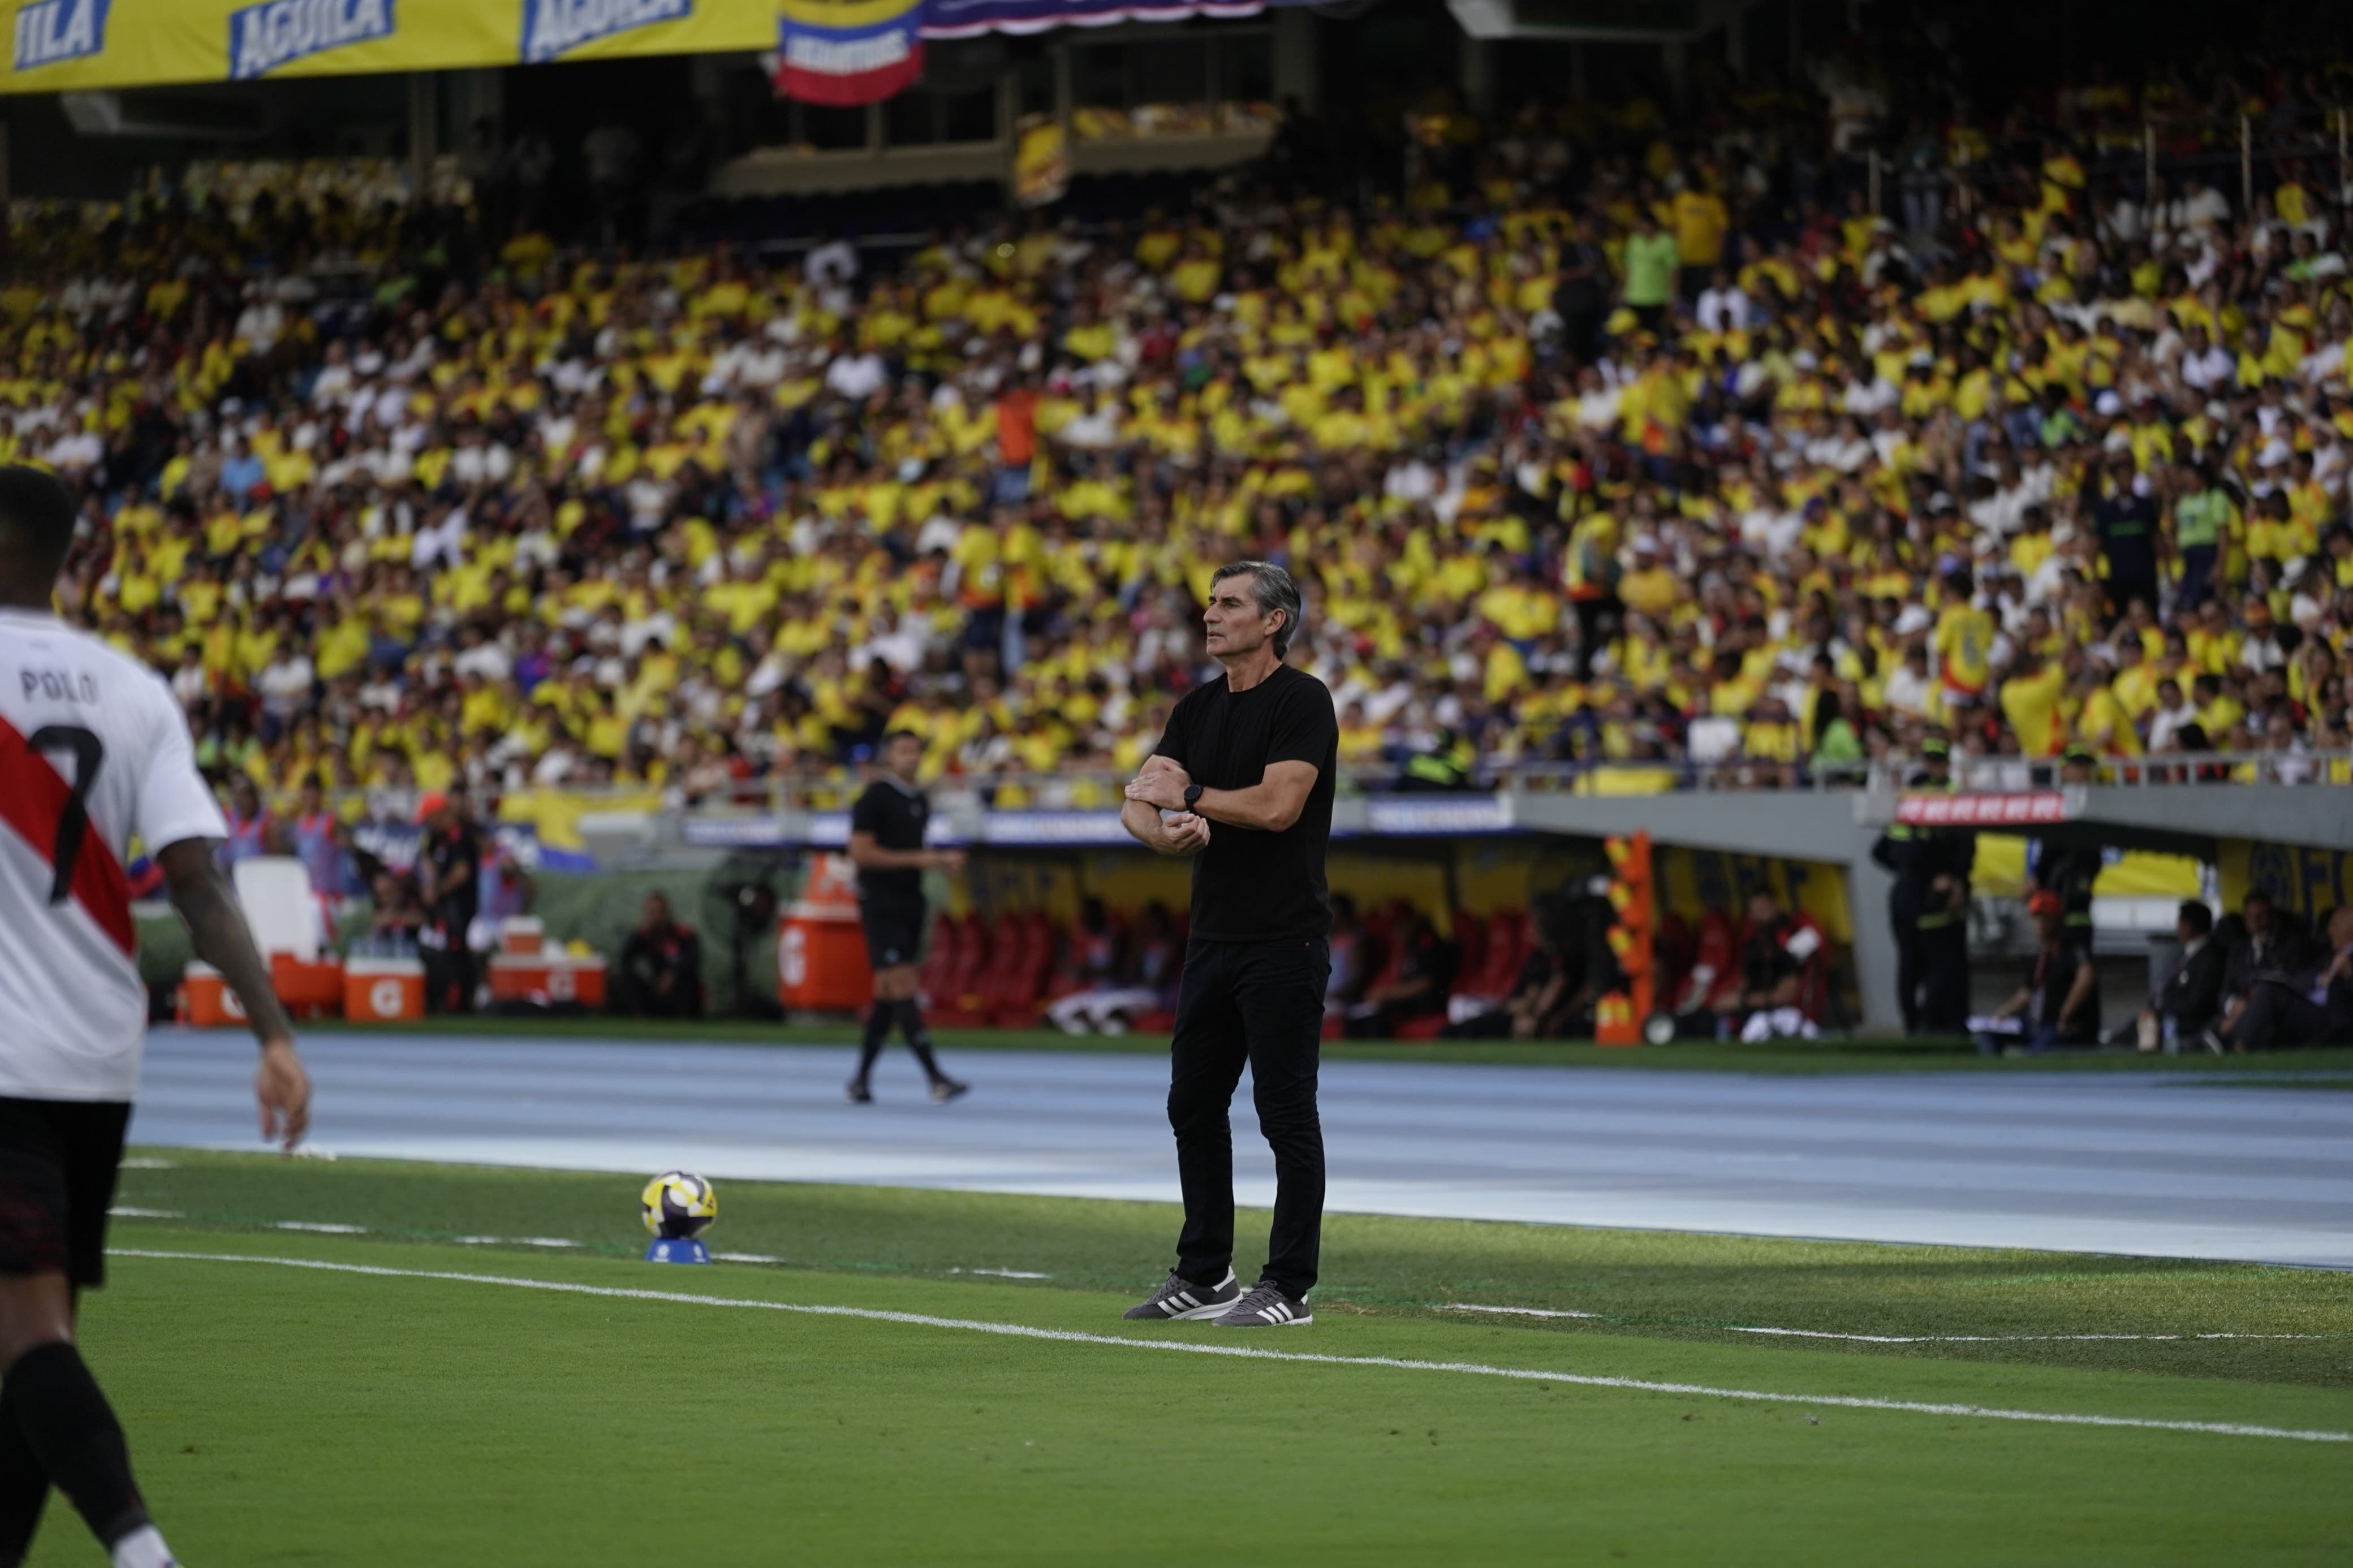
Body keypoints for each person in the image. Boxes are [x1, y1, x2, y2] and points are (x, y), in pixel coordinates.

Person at [0, 464, 311, 1568]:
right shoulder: (131, 691)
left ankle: (143, 1553)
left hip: (1, 1061)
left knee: (28, 1334)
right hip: (99, 1056)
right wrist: (273, 1030)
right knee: (36, 1341)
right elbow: (199, 883)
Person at [1119, 560, 1337, 1329]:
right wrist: (1168, 834)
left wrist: (1189, 798)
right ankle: (1206, 1273)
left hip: (1285, 939)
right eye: (1211, 601)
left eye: (1231, 603)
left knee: (1285, 1114)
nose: (1211, 614)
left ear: (1274, 620)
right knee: (1193, 1105)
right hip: (1212, 939)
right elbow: (1140, 802)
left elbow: (1279, 807)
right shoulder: (1197, 708)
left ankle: (1289, 1286)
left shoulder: (1302, 700)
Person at [844, 729, 968, 1104]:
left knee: (887, 993)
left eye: (916, 751)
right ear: (889, 756)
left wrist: (939, 860)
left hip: (909, 898)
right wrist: (925, 859)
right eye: (904, 751)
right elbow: (862, 854)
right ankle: (935, 1077)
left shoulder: (919, 799)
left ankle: (861, 1079)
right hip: (882, 900)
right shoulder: (874, 797)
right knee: (902, 985)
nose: (912, 757)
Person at [2212, 905, 2353, 1051]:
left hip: (2332, 1019)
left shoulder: (2348, 960)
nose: (2329, 930)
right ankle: (2224, 1037)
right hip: (2307, 1004)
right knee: (2264, 991)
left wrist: (2349, 974)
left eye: (2335, 925)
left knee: (2269, 992)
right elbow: (2302, 976)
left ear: (2351, 929)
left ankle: (2234, 1045)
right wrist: (2320, 979)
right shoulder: (2328, 955)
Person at [1975, 889, 2098, 1054]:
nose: (2039, 924)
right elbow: (2028, 992)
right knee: (1989, 1033)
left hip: (2057, 1025)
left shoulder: (2070, 949)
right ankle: (1992, 1074)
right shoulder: (2043, 955)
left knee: (2035, 1053)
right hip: (2035, 1022)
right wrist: (2002, 1014)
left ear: (2056, 919)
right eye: (2035, 918)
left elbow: (2086, 976)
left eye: (2044, 918)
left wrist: (2066, 1012)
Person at [1047, 901, 1182, 1035]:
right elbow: (1131, 975)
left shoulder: (1170, 945)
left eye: (1152, 921)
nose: (1148, 925)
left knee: (1108, 1008)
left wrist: (1092, 971)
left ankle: (1108, 1029)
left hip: (1158, 996)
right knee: (1066, 1010)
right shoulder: (1142, 944)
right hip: (1134, 992)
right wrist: (1137, 948)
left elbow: (1154, 981)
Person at [415, 788, 482, 1014]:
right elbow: (426, 857)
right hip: (445, 906)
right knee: (442, 951)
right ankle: (443, 999)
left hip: (461, 906)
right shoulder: (437, 836)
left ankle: (461, 1003)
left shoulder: (459, 834)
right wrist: (429, 883)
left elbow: (462, 872)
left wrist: (439, 890)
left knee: (458, 953)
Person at [1733, 888, 1825, 1042]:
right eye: (1755, 911)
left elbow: (1786, 994)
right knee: (1752, 1029)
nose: (1759, 916)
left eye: (1763, 909)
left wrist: (1746, 1000)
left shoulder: (1793, 933)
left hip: (1793, 1013)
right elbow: (1744, 982)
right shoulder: (1754, 943)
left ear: (1775, 906)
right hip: (1760, 1015)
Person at [2141, 899, 2226, 1049]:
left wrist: (2162, 1008)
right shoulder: (2187, 953)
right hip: (2165, 1018)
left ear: (2190, 925)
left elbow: (2198, 1001)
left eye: (2180, 922)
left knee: (2137, 1038)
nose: (2178, 927)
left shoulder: (2209, 958)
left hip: (2186, 1024)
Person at [615, 892, 704, 1018]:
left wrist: (673, 974)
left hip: (679, 990)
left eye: (658, 912)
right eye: (651, 912)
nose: (655, 916)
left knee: (687, 979)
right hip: (657, 988)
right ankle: (641, 1016)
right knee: (626, 977)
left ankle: (684, 1018)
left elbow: (694, 959)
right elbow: (625, 960)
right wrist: (638, 935)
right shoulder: (644, 936)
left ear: (667, 912)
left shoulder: (684, 934)